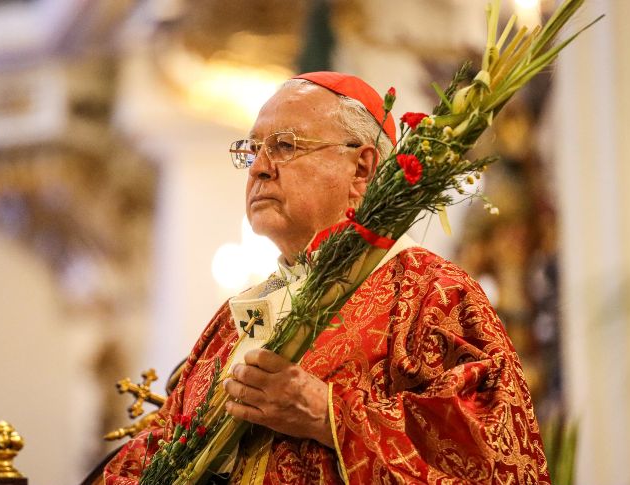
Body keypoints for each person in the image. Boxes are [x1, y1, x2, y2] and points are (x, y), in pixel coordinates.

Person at [103, 72, 549, 484]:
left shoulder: (431, 294)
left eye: (284, 146)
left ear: (362, 168)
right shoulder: (231, 323)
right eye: (252, 150)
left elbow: (494, 455)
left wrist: (327, 414)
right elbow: (157, 449)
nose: (259, 168)